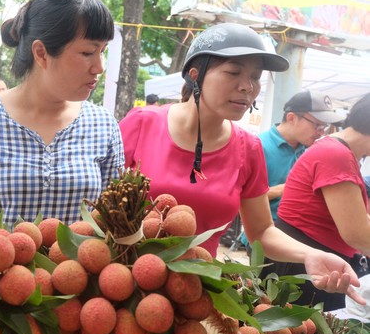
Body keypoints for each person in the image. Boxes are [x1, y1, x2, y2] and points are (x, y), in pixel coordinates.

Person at [119, 22, 363, 305]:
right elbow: (101, 209)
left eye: (256, 77)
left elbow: (261, 231)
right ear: (195, 76)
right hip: (125, 282)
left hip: (196, 295)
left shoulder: (248, 148)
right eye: (233, 72)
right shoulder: (141, 124)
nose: (248, 86)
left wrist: (310, 254)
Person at [0, 0, 124, 227]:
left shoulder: (103, 125)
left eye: (103, 51)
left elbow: (117, 221)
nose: (99, 67)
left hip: (83, 266)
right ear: (41, 53)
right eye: (88, 52)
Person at [264, 92, 370, 310]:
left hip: (315, 264)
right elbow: (357, 233)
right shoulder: (336, 154)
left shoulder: (341, 153)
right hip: (302, 267)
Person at [239, 90, 345, 253]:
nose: (321, 132)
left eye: (324, 127)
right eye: (317, 125)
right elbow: (241, 197)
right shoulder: (258, 146)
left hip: (300, 237)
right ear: (291, 118)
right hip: (265, 237)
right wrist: (288, 188)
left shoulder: (310, 150)